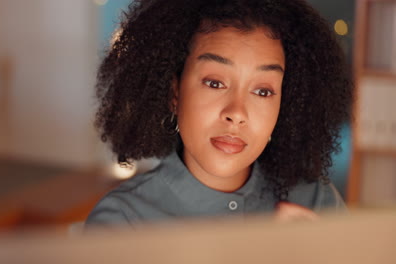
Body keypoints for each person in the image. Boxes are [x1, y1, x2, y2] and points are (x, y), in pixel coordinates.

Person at [85, 0, 353, 227]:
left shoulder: (317, 202)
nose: (236, 113)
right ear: (174, 93)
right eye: (215, 83)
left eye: (262, 91)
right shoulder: (122, 221)